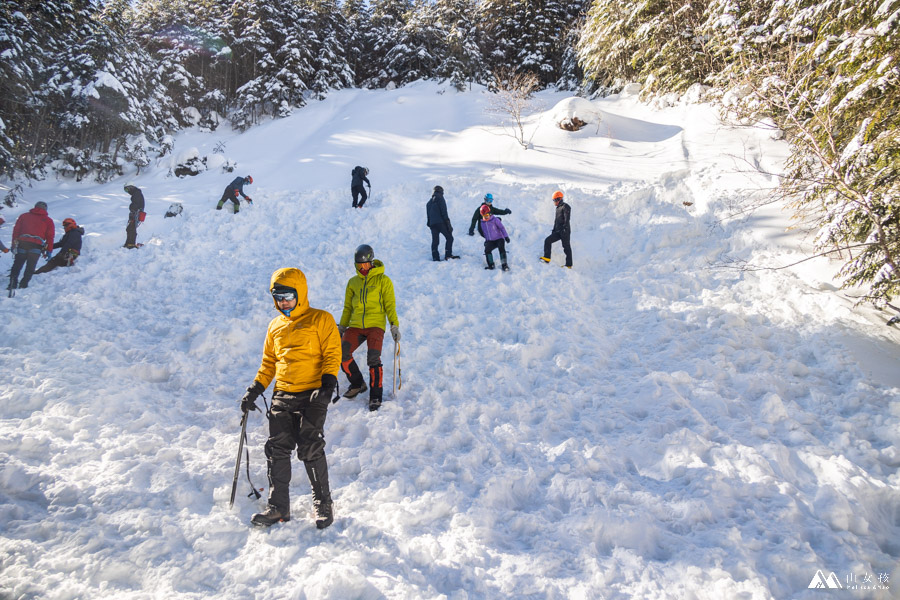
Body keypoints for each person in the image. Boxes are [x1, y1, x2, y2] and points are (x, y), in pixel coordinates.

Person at [240, 267, 341, 529]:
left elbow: (332, 354)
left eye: (288, 296)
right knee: (277, 449)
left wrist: (328, 384)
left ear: (301, 293)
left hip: (313, 394)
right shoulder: (275, 327)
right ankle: (278, 507)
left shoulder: (321, 319)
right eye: (278, 297)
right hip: (283, 394)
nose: (283, 302)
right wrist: (255, 389)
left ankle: (323, 503)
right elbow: (269, 364)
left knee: (310, 447)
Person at [338, 244, 400, 411]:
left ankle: (375, 395)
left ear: (372, 262)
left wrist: (394, 326)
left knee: (373, 358)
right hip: (356, 325)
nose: (362, 267)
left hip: (375, 325)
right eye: (359, 265)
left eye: (365, 264)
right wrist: (342, 326)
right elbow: (347, 308)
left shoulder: (383, 281)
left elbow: (390, 306)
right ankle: (358, 384)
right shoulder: (353, 283)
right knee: (341, 352)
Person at [8, 201, 54, 290]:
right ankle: (23, 284)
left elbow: (16, 231)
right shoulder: (48, 220)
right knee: (30, 267)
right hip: (36, 246)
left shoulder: (24, 216)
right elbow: (50, 237)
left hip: (22, 244)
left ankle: (12, 283)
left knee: (17, 265)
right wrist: (49, 250)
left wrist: (13, 245)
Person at [426, 185, 459, 261]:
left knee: (435, 241)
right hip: (440, 223)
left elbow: (428, 216)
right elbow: (444, 212)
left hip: (432, 224)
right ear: (441, 191)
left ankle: (435, 257)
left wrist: (430, 224)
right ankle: (448, 255)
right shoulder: (440, 198)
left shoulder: (428, 203)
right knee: (450, 238)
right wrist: (448, 224)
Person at [540, 190, 572, 268]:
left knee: (566, 247)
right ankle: (547, 258)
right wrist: (554, 230)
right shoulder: (558, 208)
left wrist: (565, 228)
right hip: (558, 231)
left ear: (559, 199)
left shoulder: (565, 206)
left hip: (565, 231)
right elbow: (557, 221)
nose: (554, 202)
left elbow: (567, 219)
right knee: (547, 240)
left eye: (554, 200)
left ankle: (568, 265)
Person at [478, 205, 511, 271]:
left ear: (490, 213)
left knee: (501, 249)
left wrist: (506, 236)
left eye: (487, 215)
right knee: (487, 250)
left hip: (499, 238)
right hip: (491, 241)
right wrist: (486, 241)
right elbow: (485, 233)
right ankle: (491, 265)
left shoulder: (495, 220)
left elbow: (502, 228)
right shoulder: (482, 223)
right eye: (484, 216)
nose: (486, 217)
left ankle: (504, 265)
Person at [124, 184, 145, 248]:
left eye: (127, 189)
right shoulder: (137, 193)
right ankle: (129, 243)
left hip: (136, 214)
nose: (127, 192)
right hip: (136, 213)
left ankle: (131, 243)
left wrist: (131, 208)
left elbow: (136, 204)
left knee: (131, 228)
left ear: (131, 187)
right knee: (130, 228)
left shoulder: (137, 194)